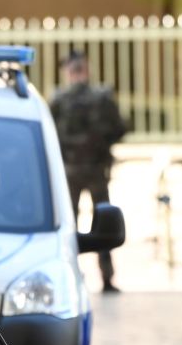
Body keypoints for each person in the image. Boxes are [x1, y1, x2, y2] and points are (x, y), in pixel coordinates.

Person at [50, 52, 127, 293]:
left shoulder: (59, 100)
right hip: (96, 170)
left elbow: (49, 134)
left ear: (69, 72)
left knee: (69, 223)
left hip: (70, 172)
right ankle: (107, 277)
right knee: (104, 221)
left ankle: (71, 275)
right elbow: (119, 129)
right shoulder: (102, 98)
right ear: (86, 70)